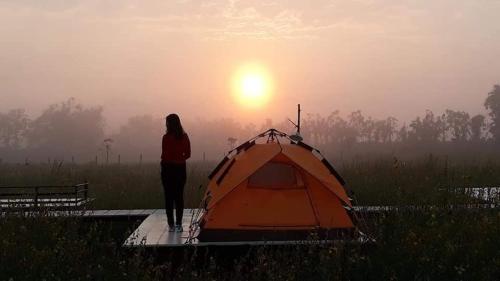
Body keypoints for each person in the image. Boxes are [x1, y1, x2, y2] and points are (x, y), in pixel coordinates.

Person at [161, 114, 191, 232]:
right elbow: (188, 154)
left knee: (168, 197)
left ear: (169, 124)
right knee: (179, 197)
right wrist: (180, 156)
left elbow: (164, 154)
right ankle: (179, 224)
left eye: (167, 122)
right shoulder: (184, 137)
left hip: (167, 169)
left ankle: (171, 225)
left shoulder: (165, 137)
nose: (165, 124)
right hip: (180, 169)